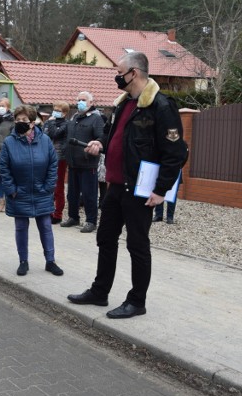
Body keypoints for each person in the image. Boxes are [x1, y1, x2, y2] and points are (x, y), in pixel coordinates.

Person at [67, 51, 189, 319]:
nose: (116, 77)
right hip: (115, 186)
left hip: (139, 191)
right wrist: (101, 143)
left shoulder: (161, 106)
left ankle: (137, 301)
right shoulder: (124, 103)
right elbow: (114, 137)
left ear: (134, 73)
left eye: (119, 72)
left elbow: (176, 154)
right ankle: (100, 292)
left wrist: (160, 191)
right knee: (105, 238)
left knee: (137, 245)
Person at [0, 105, 63, 277]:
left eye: (24, 120)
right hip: (19, 193)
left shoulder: (45, 141)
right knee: (21, 227)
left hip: (42, 192)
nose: (20, 123)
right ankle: (23, 261)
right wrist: (11, 189)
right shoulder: (9, 143)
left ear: (33, 123)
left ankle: (50, 261)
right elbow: (4, 168)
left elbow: (52, 165)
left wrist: (49, 187)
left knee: (46, 226)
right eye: (17, 120)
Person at [60, 91, 104, 233]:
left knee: (89, 194)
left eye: (83, 100)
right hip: (73, 163)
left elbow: (101, 138)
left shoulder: (96, 119)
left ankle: (91, 221)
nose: (80, 102)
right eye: (78, 99)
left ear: (91, 102)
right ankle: (73, 217)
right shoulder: (75, 118)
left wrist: (95, 145)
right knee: (72, 194)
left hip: (88, 163)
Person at [43, 101, 70, 224]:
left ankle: (58, 214)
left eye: (58, 110)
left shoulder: (66, 124)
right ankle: (47, 211)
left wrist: (51, 122)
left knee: (58, 186)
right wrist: (49, 122)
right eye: (55, 109)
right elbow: (43, 135)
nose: (55, 111)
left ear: (64, 113)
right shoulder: (49, 122)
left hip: (60, 158)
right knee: (48, 185)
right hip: (47, 156)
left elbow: (54, 133)